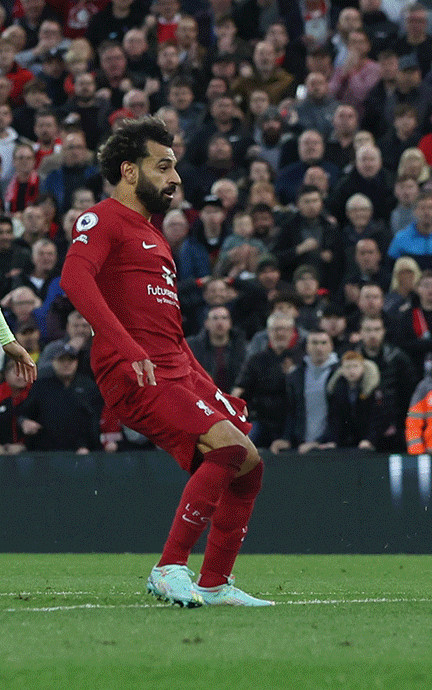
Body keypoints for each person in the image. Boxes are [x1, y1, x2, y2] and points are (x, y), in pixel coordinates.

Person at [58, 117, 272, 607]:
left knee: (249, 463)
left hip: (173, 368)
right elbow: (75, 280)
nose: (175, 177)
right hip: (130, 371)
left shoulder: (157, 238)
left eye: (175, 166)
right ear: (129, 172)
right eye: (164, 166)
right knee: (227, 449)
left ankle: (215, 584)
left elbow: (170, 335)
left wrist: (207, 385)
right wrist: (127, 347)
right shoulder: (102, 219)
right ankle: (169, 567)